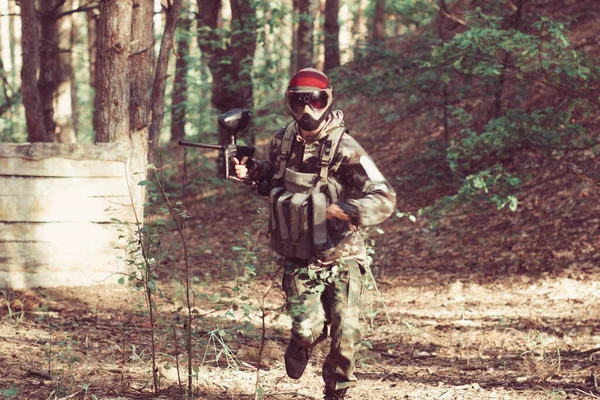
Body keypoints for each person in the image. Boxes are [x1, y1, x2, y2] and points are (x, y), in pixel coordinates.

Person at [233, 68, 396, 400]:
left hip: (343, 252)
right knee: (308, 329)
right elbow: (274, 181)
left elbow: (383, 195)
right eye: (299, 101)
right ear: (289, 103)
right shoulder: (281, 141)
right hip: (299, 255)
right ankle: (303, 340)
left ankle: (336, 392)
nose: (308, 110)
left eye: (316, 101)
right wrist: (251, 171)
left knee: (346, 332)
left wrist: (348, 210)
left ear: (327, 100)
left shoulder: (346, 148)